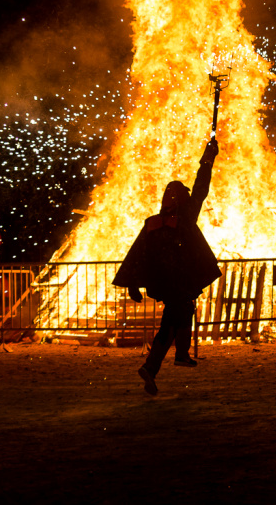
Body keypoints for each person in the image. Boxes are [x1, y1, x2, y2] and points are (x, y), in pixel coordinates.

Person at [113, 138, 222, 396]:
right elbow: (201, 188)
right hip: (179, 284)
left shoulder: (153, 223)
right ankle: (154, 366)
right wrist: (208, 159)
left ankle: (177, 356)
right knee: (172, 323)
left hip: (166, 284)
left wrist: (132, 284)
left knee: (178, 318)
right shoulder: (184, 219)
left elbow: (137, 253)